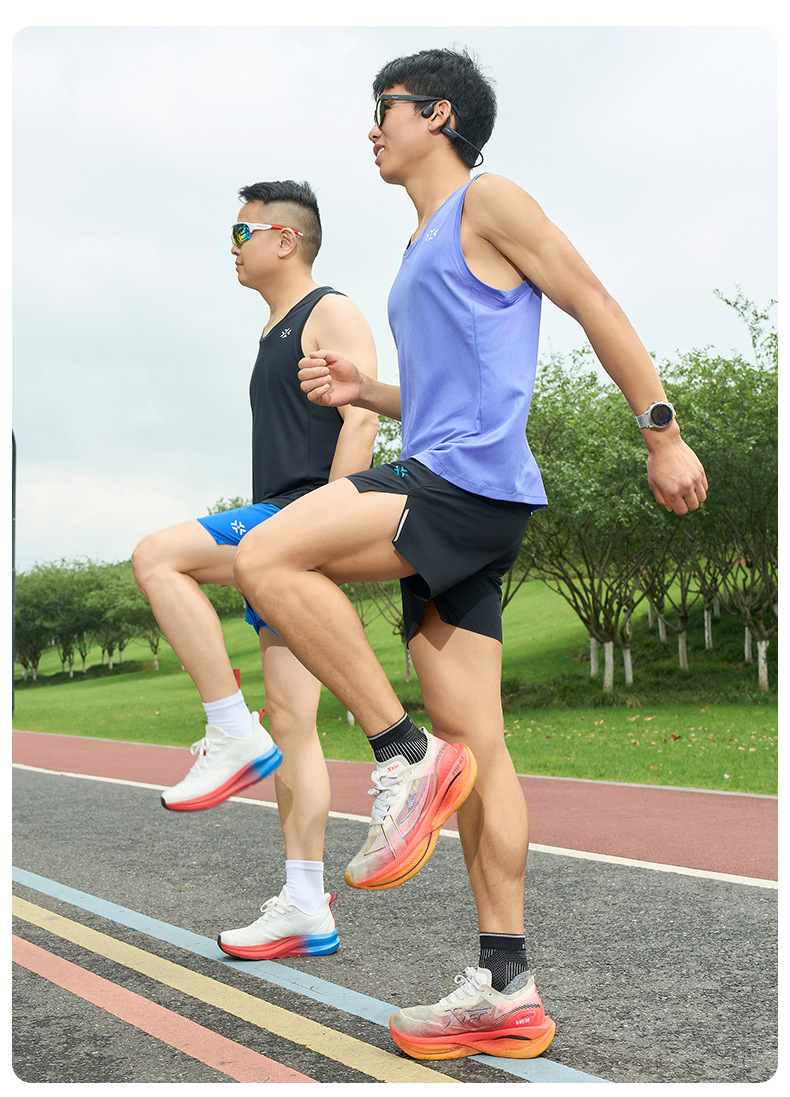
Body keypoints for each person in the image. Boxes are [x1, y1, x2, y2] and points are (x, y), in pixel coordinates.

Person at [232, 49, 708, 1061]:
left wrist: (660, 431)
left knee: (266, 554)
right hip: (463, 487)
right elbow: (451, 393)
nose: (373, 127)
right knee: (479, 743)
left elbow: (590, 298)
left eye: (387, 109)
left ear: (438, 113)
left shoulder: (488, 201)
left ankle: (400, 753)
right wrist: (366, 389)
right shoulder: (420, 244)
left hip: (461, 486)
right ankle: (505, 982)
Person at [132, 180, 379, 960]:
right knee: (294, 724)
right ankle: (305, 902)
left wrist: (327, 523)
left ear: (285, 239)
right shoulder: (271, 329)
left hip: (299, 517)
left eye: (242, 232)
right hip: (285, 529)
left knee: (158, 555)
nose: (231, 246)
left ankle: (229, 729)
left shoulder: (329, 310)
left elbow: (362, 418)